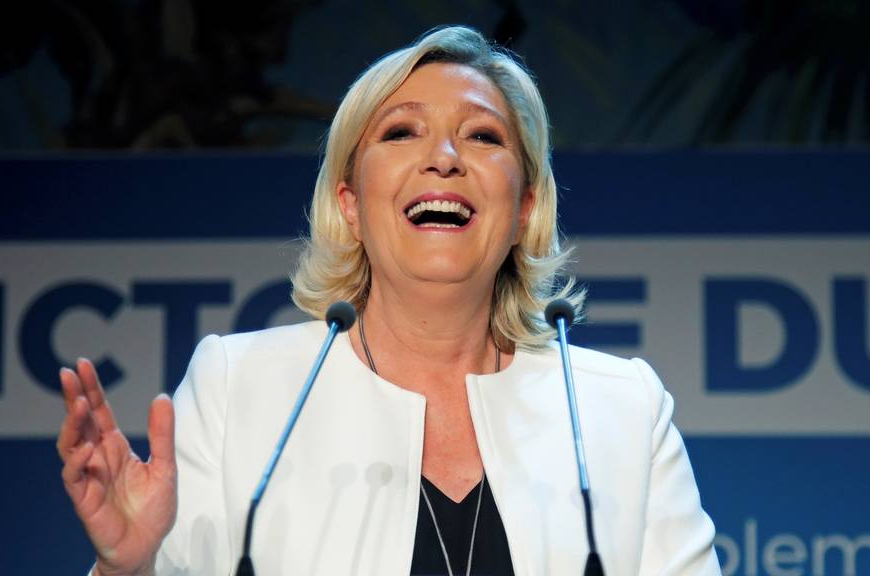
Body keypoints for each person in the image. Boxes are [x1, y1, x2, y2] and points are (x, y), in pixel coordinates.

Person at [57, 26, 721, 576]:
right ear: (350, 202)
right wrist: (125, 567)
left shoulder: (619, 408)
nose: (444, 157)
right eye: (402, 132)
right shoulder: (243, 388)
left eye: (484, 137)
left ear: (524, 206)